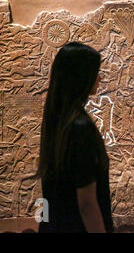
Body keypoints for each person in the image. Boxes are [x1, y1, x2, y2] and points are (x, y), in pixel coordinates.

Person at [37, 42, 113, 233]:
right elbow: (87, 204)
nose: (99, 77)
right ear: (81, 78)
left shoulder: (57, 124)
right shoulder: (80, 127)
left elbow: (47, 195)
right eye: (96, 71)